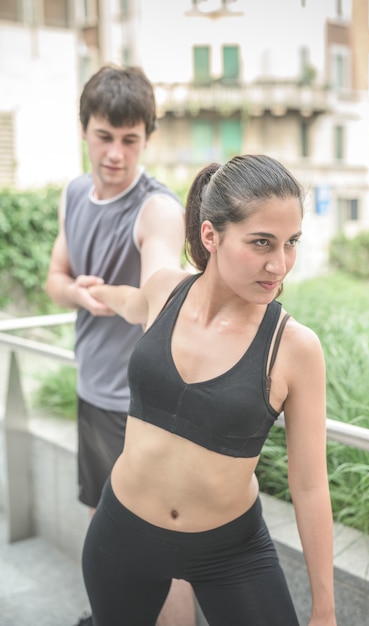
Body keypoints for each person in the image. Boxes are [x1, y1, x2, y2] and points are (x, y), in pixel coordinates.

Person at [82, 154, 337, 626]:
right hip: (121, 534)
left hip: (230, 551)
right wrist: (96, 292)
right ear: (210, 235)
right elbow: (131, 303)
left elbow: (309, 485)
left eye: (290, 243)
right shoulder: (165, 291)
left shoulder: (295, 347)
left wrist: (324, 609)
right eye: (262, 242)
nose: (279, 264)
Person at [46, 65, 196, 626]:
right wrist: (80, 296)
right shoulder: (73, 194)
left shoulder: (156, 208)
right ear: (85, 130)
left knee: (162, 550)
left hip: (141, 408)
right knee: (103, 524)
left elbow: (161, 286)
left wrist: (124, 292)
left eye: (130, 140)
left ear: (146, 140)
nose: (115, 153)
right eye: (105, 136)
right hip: (93, 391)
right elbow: (56, 277)